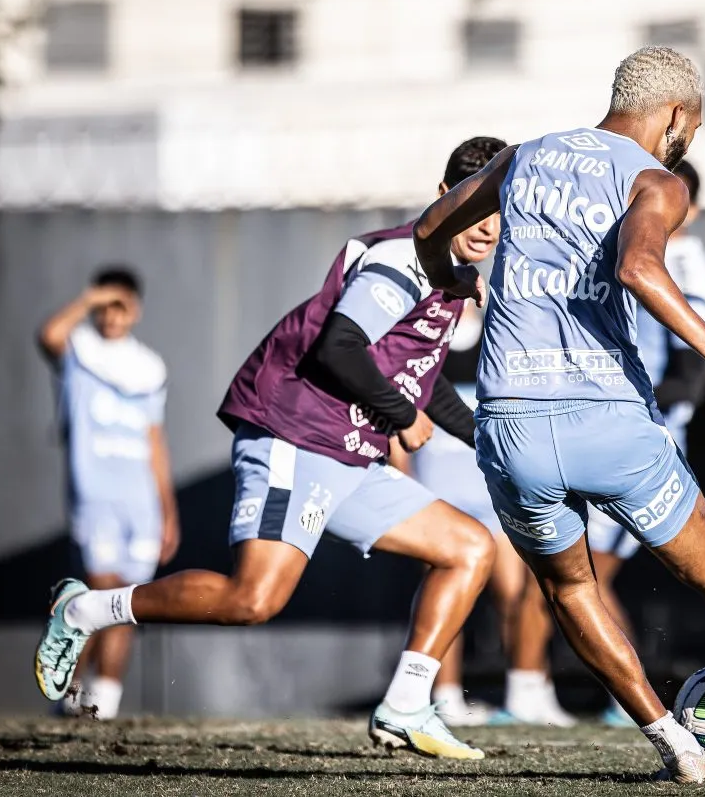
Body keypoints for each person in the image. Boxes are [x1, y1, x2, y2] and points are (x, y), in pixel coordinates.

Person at [412, 47, 705, 784]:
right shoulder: (656, 180)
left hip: (510, 422)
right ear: (675, 115)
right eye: (687, 130)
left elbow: (432, 225)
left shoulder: (524, 157)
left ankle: (675, 746)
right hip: (608, 419)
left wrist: (455, 281)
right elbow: (638, 266)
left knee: (569, 589)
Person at [34, 137, 508, 760]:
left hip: (347, 449)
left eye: (498, 206)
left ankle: (406, 704)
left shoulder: (452, 276)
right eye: (473, 203)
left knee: (467, 549)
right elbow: (337, 346)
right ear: (443, 198)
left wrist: (486, 440)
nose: (487, 223)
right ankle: (86, 610)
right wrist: (402, 415)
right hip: (296, 434)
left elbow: (421, 377)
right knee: (252, 600)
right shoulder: (405, 261)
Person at [393, 297, 575, 728]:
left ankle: (527, 692)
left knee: (517, 593)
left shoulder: (500, 331)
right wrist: (405, 483)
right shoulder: (421, 334)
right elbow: (396, 419)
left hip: (491, 488)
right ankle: (444, 697)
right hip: (437, 491)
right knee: (447, 593)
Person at [586, 159, 705, 727]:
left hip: (646, 443)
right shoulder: (632, 248)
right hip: (615, 434)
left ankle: (631, 700)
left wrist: (625, 405)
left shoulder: (684, 260)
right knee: (576, 578)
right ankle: (538, 692)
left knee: (583, 577)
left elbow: (691, 373)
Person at [37, 268, 179, 720]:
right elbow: (49, 334)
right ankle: (70, 693)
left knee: (125, 603)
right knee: (96, 594)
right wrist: (90, 296)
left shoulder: (149, 366)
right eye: (105, 306)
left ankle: (105, 701)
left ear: (134, 309)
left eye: (120, 305)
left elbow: (154, 440)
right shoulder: (79, 349)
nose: (112, 316)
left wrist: (168, 510)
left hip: (140, 503)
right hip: (95, 497)